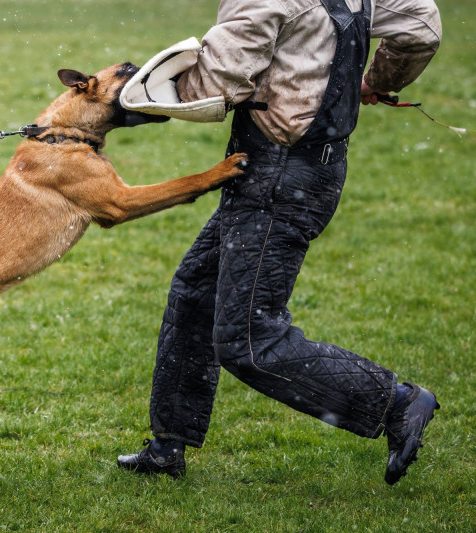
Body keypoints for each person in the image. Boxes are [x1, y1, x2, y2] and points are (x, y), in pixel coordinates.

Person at [117, 0, 442, 485]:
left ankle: (396, 402)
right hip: (312, 167)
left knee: (248, 339)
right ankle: (169, 445)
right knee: (195, 292)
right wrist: (379, 80)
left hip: (279, 175)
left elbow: (217, 81)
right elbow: (423, 26)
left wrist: (135, 95)